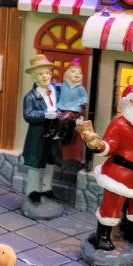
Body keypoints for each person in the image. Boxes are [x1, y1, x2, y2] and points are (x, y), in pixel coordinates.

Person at [85, 83, 133, 251]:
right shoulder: (119, 124)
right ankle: (102, 235)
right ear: (128, 105)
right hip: (121, 174)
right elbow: (109, 146)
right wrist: (97, 145)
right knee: (112, 204)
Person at [21, 54, 62, 206]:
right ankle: (33, 191)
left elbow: (65, 104)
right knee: (36, 164)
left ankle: (46, 188)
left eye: (47, 73)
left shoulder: (57, 90)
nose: (45, 76)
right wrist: (45, 114)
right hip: (38, 135)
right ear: (34, 77)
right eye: (40, 74)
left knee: (50, 162)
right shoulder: (30, 97)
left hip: (54, 133)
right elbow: (28, 115)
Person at [57, 60, 89, 161]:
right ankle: (56, 133)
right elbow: (57, 90)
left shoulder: (80, 88)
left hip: (73, 109)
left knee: (65, 118)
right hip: (61, 106)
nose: (76, 74)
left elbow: (84, 97)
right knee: (56, 117)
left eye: (79, 73)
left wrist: (81, 102)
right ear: (68, 73)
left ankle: (62, 136)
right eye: (73, 71)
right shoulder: (64, 85)